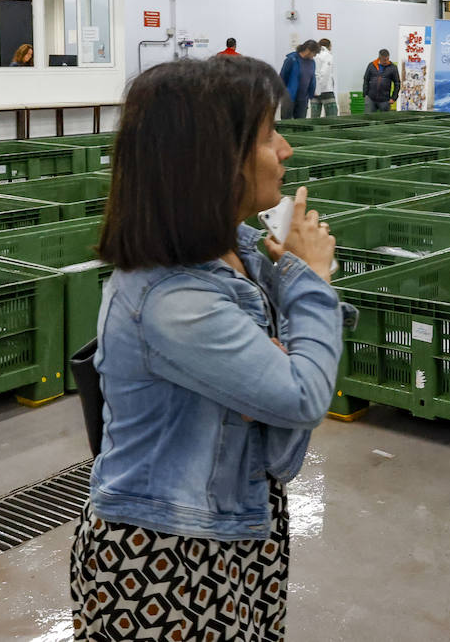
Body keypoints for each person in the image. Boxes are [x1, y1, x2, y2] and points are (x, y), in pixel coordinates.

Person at [71, 57, 348, 640]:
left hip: (233, 527)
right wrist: (312, 280)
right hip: (168, 558)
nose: (287, 149)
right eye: (271, 134)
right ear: (216, 159)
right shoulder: (175, 300)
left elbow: (283, 386)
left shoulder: (240, 253)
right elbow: (301, 394)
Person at [279, 40, 320, 119]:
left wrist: (311, 92)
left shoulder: (312, 62)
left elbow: (312, 78)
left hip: (303, 99)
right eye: (314, 53)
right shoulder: (292, 60)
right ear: (308, 50)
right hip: (290, 97)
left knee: (301, 123)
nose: (314, 56)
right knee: (286, 122)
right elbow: (283, 77)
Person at [362, 49, 400, 113]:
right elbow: (366, 79)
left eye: (387, 59)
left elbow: (397, 83)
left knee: (385, 121)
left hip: (385, 100)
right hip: (371, 99)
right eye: (384, 60)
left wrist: (394, 97)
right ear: (379, 58)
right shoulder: (371, 65)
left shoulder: (393, 68)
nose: (386, 61)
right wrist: (365, 94)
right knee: (368, 119)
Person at [309, 37, 338, 117]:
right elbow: (325, 73)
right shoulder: (327, 55)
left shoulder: (314, 55)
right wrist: (321, 88)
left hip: (314, 90)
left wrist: (316, 89)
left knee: (314, 118)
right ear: (329, 46)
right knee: (332, 117)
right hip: (326, 90)